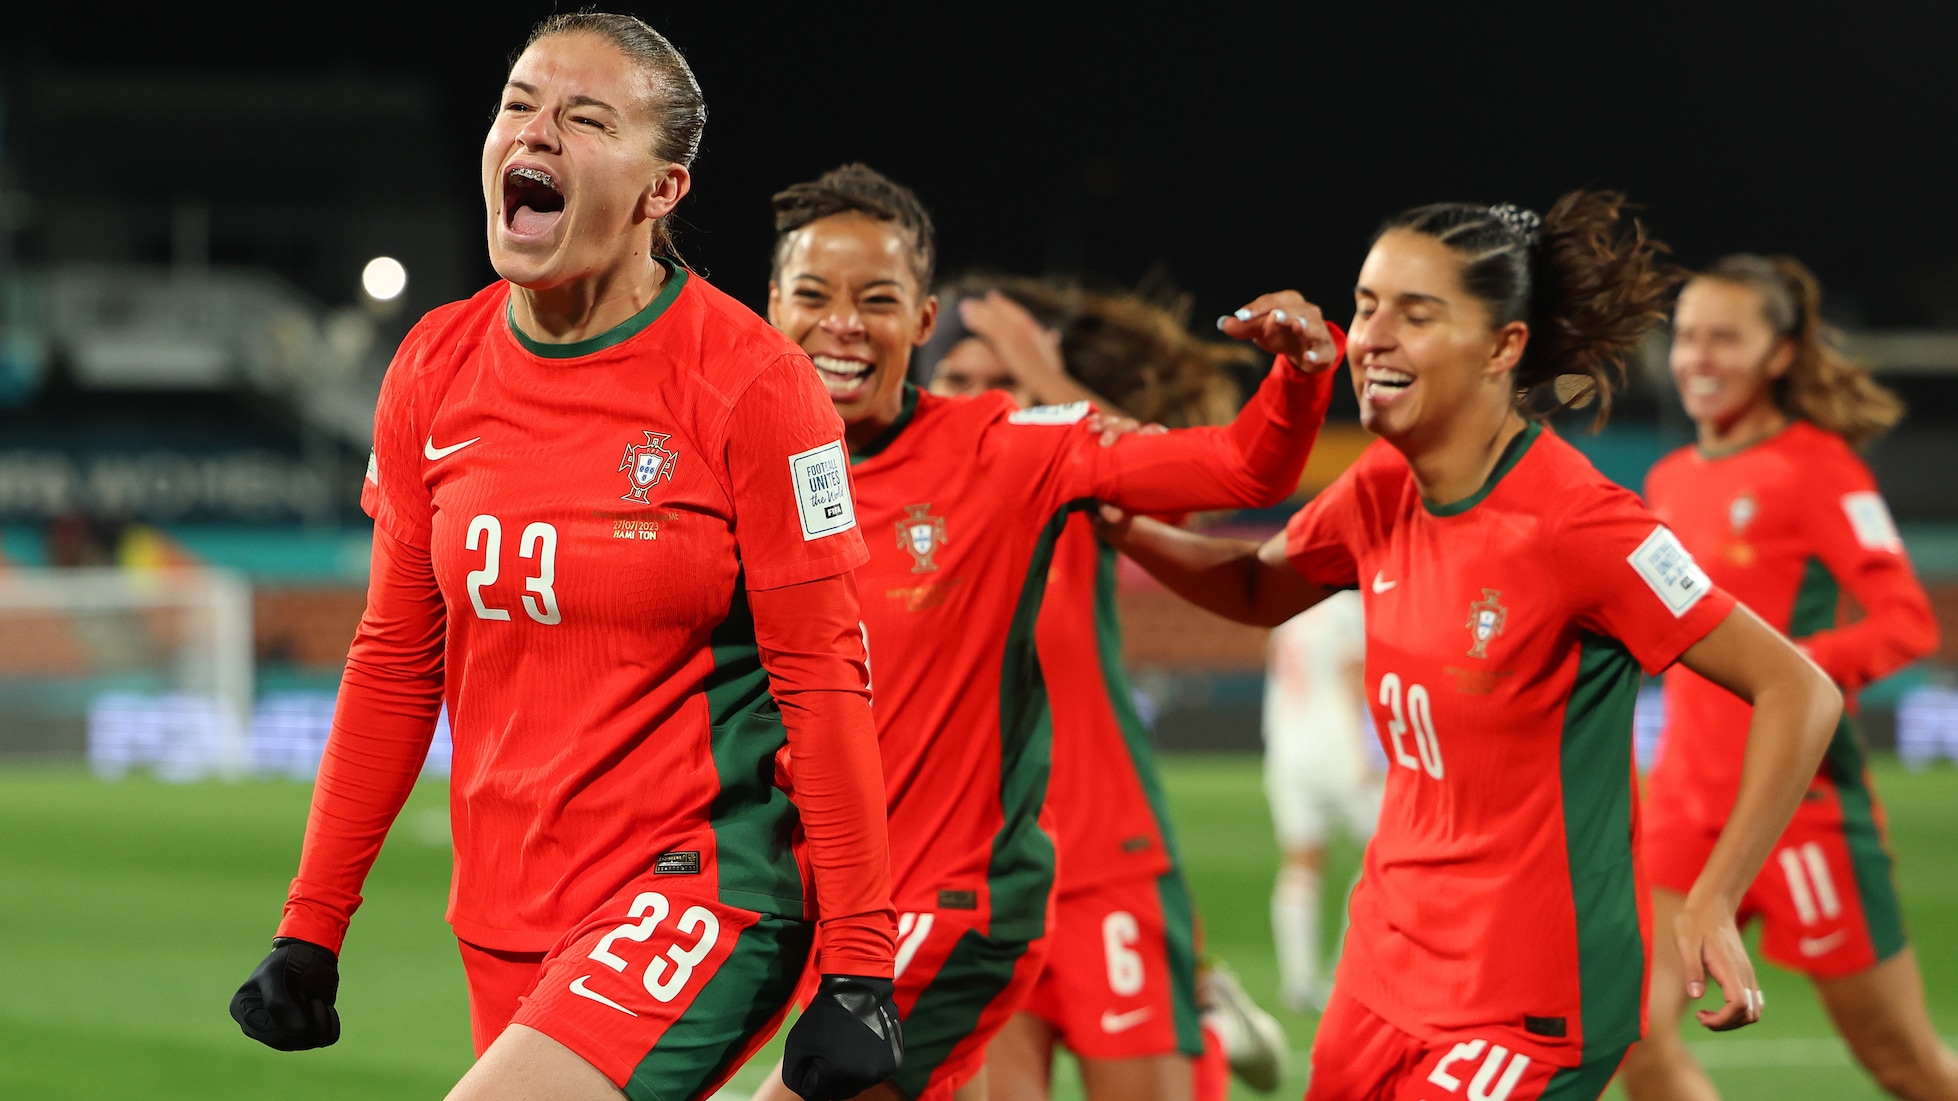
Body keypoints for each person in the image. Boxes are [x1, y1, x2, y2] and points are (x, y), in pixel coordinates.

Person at [225, 16, 901, 1101]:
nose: (533, 132)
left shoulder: (752, 384)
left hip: (700, 883)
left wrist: (861, 963)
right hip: (504, 904)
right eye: (517, 103)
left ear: (659, 192)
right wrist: (311, 925)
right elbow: (396, 659)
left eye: (585, 120)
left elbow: (824, 677)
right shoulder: (434, 366)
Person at [1090, 193, 1845, 1101]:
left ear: (1503, 348)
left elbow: (1800, 689)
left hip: (1528, 996)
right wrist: (1123, 523)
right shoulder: (1380, 486)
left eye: (1417, 314)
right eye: (1367, 306)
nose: (1373, 336)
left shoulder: (1584, 524)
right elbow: (1257, 586)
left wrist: (1716, 895)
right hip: (1384, 966)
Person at [751, 162, 1342, 1101]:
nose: (844, 323)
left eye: (878, 298)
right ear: (770, 305)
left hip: (958, 901)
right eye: (814, 295)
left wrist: (1300, 377)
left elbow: (1236, 472)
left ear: (923, 317)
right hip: (834, 909)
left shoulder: (1003, 452)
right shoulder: (745, 471)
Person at [922, 275, 1287, 1101]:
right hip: (978, 882)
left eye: (1002, 383)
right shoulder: (888, 511)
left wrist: (1044, 373)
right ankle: (1203, 988)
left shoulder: (1061, 487)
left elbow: (1190, 486)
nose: (983, 404)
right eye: (958, 382)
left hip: (1103, 868)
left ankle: (1192, 978)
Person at [1622, 255, 1955, 1101]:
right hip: (1682, 814)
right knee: (1633, 1042)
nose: (1697, 356)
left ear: (1779, 353)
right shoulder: (1666, 480)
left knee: (1907, 1067)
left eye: (1724, 338)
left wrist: (1794, 671)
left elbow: (1907, 622)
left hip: (1803, 816)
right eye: (1688, 335)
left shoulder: (1818, 468)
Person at [1262, 588, 1379, 1015]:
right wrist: (1372, 749)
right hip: (1339, 751)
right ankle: (1345, 972)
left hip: (1287, 752)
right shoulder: (1346, 611)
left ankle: (1297, 983)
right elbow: (1354, 677)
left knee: (1300, 863)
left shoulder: (1286, 612)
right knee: (1383, 856)